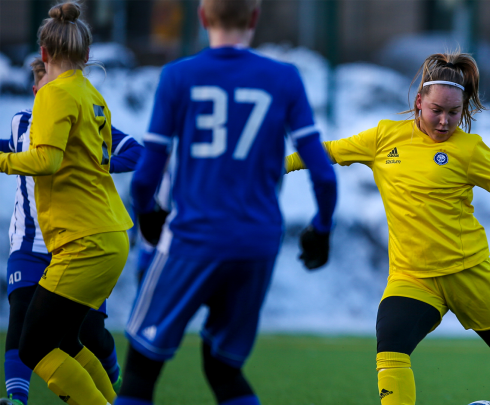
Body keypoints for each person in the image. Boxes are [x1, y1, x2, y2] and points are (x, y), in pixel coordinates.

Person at [285, 51, 490, 405]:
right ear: (419, 102)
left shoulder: (470, 150)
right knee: (390, 344)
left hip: (469, 274)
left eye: (454, 112)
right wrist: (278, 165)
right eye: (437, 110)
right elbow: (328, 153)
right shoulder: (385, 137)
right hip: (413, 277)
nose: (445, 121)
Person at [115, 0, 337, 404]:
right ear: (254, 18)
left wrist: (147, 213)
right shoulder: (285, 78)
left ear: (202, 17)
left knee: (141, 368)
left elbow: (147, 174)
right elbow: (323, 173)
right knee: (222, 366)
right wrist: (322, 230)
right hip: (257, 245)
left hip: (194, 238)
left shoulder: (179, 76)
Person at [0, 2, 133, 405]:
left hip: (84, 240)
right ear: (87, 55)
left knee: (32, 347)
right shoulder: (92, 95)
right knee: (68, 340)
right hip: (110, 234)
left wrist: (3, 160)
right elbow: (104, 157)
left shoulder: (52, 95)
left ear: (43, 54)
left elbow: (47, 160)